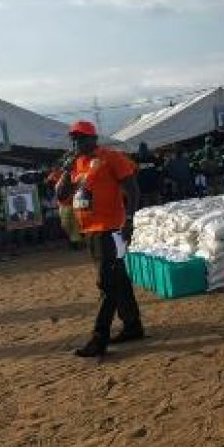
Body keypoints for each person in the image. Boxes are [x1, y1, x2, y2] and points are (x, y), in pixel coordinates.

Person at [56, 120, 143, 358]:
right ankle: (133, 325)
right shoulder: (75, 165)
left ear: (94, 139)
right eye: (73, 138)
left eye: (81, 138)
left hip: (111, 229)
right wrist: (65, 169)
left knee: (107, 283)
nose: (76, 142)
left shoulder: (111, 157)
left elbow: (133, 189)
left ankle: (99, 338)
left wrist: (130, 220)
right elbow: (61, 195)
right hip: (90, 231)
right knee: (119, 278)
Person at [135, 142, 162, 208]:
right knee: (158, 207)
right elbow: (160, 170)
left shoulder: (136, 160)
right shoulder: (153, 158)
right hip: (154, 185)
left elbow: (133, 173)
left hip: (143, 187)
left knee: (146, 208)